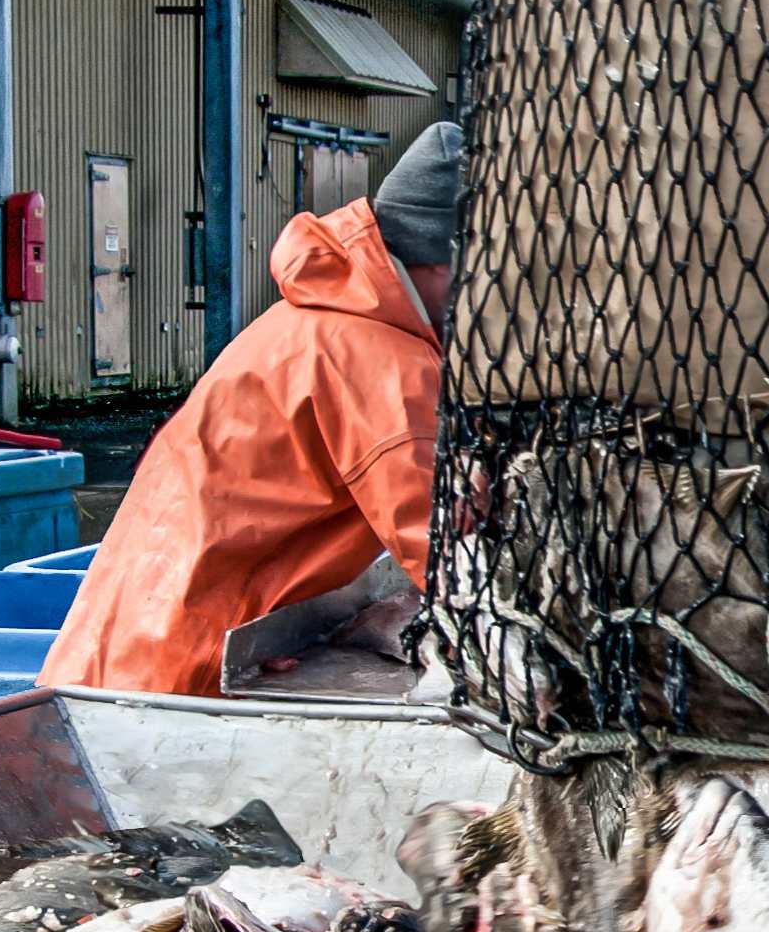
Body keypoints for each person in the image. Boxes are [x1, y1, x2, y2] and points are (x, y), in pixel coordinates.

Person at [41, 120, 461, 698]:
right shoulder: (377, 355)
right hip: (183, 673)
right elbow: (445, 548)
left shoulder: (309, 319)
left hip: (128, 647)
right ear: (447, 261)